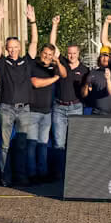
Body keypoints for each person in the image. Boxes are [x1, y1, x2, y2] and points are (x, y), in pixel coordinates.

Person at [0, 3, 39, 187]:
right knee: (5, 145)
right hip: (6, 108)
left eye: (15, 47)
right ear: (6, 49)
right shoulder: (2, 63)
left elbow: (34, 42)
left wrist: (32, 21)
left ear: (19, 47)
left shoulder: (27, 62)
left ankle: (21, 176)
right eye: (9, 47)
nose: (12, 50)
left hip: (24, 109)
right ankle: (4, 176)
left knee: (21, 145)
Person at [51, 15, 87, 179]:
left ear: (78, 53)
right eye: (69, 53)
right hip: (59, 108)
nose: (71, 56)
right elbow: (52, 46)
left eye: (74, 53)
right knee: (59, 143)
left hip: (76, 107)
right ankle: (59, 174)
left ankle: (74, 174)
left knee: (75, 143)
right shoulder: (62, 63)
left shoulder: (85, 70)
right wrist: (54, 25)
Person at [28, 43, 65, 181]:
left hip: (47, 112)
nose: (47, 56)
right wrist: (55, 78)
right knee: (31, 144)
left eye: (50, 54)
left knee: (43, 144)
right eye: (45, 53)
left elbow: (64, 74)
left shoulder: (53, 67)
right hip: (33, 111)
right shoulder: (33, 65)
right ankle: (32, 174)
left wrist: (57, 62)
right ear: (40, 52)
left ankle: (42, 173)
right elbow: (36, 83)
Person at [82, 46, 111, 116]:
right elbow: (84, 95)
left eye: (107, 56)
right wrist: (86, 84)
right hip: (96, 113)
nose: (105, 59)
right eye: (102, 56)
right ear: (99, 59)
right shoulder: (92, 73)